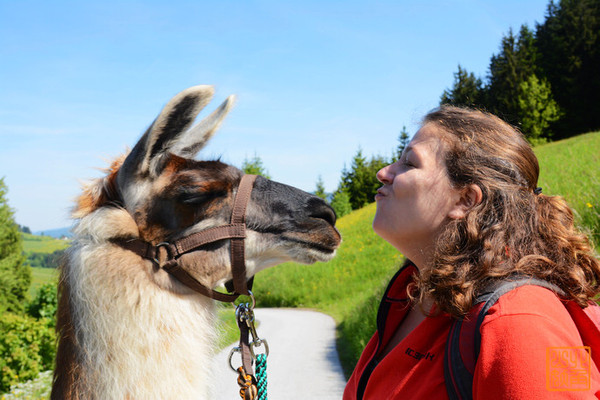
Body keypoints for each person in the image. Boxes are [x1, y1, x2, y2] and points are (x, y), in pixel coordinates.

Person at [343, 105, 600, 399]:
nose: (383, 173)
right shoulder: (413, 296)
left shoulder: (519, 319)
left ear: (465, 199)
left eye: (410, 163)